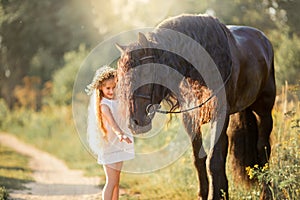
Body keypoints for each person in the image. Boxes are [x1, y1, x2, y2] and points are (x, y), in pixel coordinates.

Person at [86, 65, 134, 200]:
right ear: (101, 88)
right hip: (110, 145)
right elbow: (112, 123)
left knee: (117, 182)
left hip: (120, 144)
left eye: (114, 87)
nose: (111, 91)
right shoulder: (103, 105)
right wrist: (120, 134)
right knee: (111, 181)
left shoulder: (118, 100)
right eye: (108, 88)